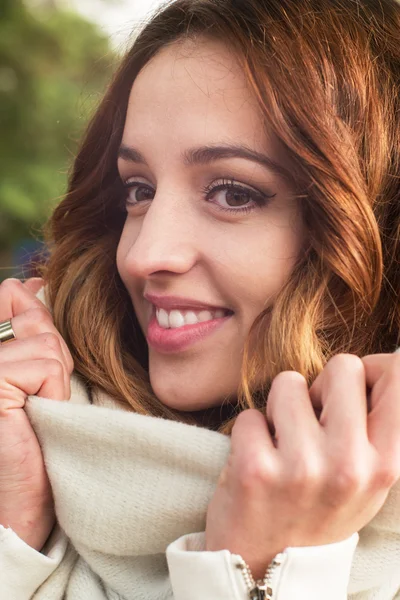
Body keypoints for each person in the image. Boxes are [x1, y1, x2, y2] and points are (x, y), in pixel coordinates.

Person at [1, 0, 400, 598]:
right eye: (139, 189)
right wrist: (15, 533)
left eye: (234, 193)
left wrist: (267, 570)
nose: (142, 255)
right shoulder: (34, 429)